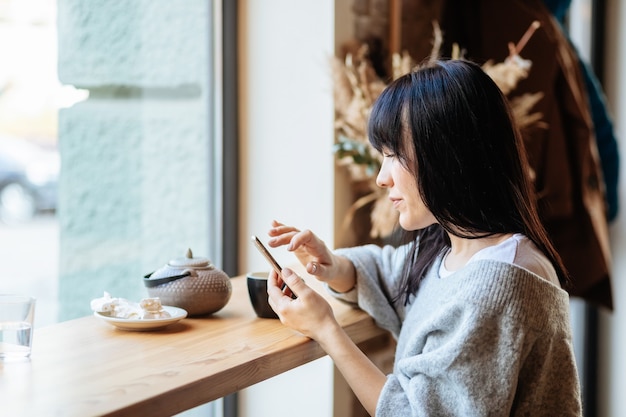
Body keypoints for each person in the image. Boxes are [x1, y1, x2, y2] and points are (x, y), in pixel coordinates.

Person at [265, 59, 582, 416]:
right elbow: (391, 272)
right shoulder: (459, 248)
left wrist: (326, 329)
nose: (381, 178)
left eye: (393, 155)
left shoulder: (497, 289)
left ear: (447, 155)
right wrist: (332, 265)